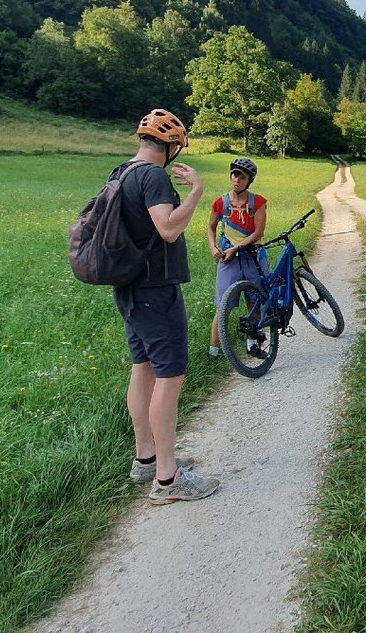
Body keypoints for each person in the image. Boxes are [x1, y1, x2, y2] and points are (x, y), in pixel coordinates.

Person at [112, 108, 220, 503]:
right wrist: (196, 192)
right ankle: (168, 480)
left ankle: (146, 460)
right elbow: (169, 228)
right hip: (155, 290)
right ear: (172, 146)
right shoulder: (153, 176)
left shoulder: (120, 172)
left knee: (142, 369)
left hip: (129, 288)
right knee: (169, 378)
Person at [207, 157, 268, 357]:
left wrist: (236, 248)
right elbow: (211, 227)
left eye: (242, 177)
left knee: (254, 301)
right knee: (223, 306)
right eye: (234, 175)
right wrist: (212, 246)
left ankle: (252, 345)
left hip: (252, 257)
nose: (237, 180)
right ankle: (214, 353)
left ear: (249, 181)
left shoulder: (257, 203)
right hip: (228, 259)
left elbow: (258, 233)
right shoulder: (221, 203)